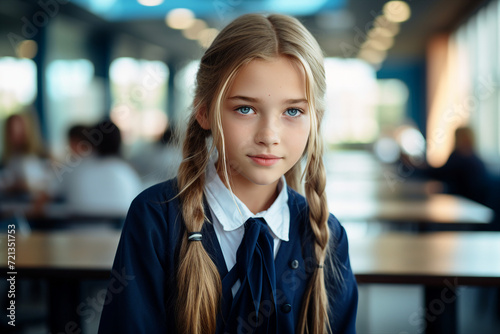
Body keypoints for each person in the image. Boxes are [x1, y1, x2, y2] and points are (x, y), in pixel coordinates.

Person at [98, 13, 358, 334]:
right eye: (245, 109)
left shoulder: (326, 236)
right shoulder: (156, 218)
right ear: (204, 112)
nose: (269, 135)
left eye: (293, 111)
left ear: (314, 119)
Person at [60, 120, 143, 217]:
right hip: (118, 231)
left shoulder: (77, 170)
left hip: (77, 229)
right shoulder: (127, 174)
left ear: (91, 142)